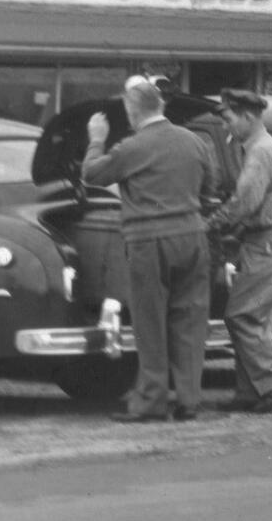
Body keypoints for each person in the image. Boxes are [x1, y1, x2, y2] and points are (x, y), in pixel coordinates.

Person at [82, 75, 213, 421]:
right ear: (162, 106)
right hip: (192, 236)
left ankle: (151, 401)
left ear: (131, 110)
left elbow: (91, 175)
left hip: (148, 241)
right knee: (189, 320)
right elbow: (210, 191)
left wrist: (96, 140)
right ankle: (188, 399)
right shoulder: (196, 142)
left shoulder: (131, 147)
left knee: (150, 322)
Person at [206, 88, 272, 413]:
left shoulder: (259, 151)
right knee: (256, 319)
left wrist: (213, 223)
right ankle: (251, 393)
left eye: (229, 118)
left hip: (268, 242)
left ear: (247, 116)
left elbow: (245, 201)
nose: (226, 126)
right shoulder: (263, 147)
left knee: (241, 315)